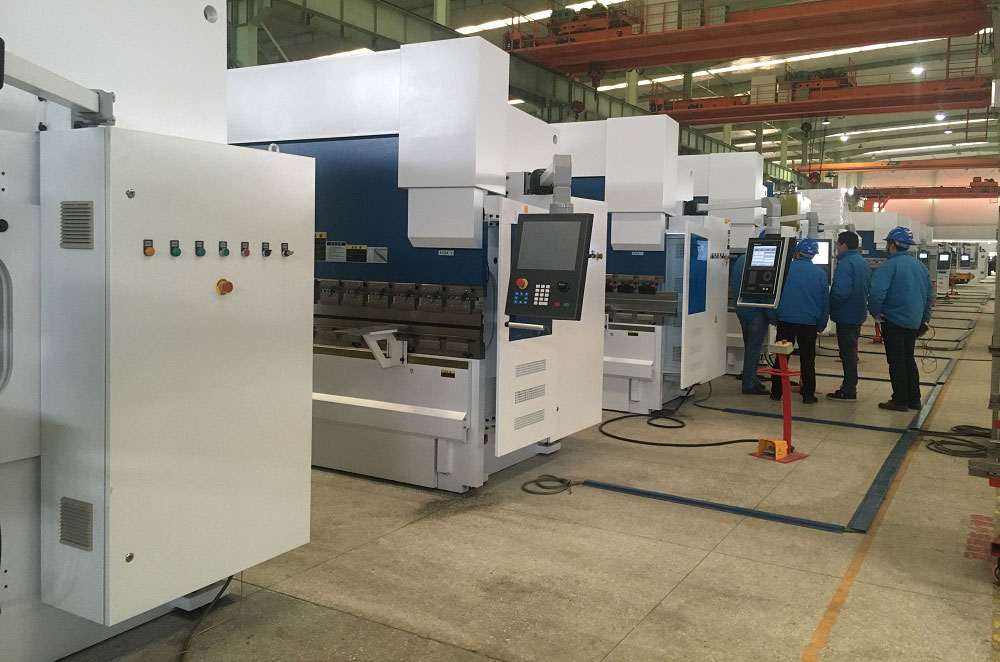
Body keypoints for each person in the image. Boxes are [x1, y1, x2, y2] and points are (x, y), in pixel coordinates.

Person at [868, 226, 934, 412]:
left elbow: (876, 294)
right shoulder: (920, 266)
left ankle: (899, 400)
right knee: (908, 358)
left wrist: (875, 313)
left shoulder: (889, 266)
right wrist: (924, 320)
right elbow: (929, 296)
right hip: (914, 321)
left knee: (896, 361)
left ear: (892, 245)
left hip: (893, 320)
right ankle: (914, 399)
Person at [768, 238, 829, 404]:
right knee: (808, 360)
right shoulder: (820, 274)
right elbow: (825, 303)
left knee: (781, 358)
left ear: (796, 252)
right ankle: (808, 394)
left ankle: (776, 392)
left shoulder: (784, 271)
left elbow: (773, 296)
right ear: (814, 255)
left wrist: (773, 317)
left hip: (786, 321)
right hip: (809, 324)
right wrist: (821, 325)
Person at [827, 231, 872, 401]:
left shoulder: (845, 264)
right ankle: (850, 386)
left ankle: (849, 389)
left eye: (838, 244)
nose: (837, 247)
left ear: (844, 245)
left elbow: (841, 292)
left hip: (845, 315)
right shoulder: (863, 263)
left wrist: (830, 306)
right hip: (858, 313)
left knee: (847, 354)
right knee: (851, 352)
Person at [730, 249, 769, 395]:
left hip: (742, 309)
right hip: (756, 311)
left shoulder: (740, 260)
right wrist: (773, 316)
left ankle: (752, 378)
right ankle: (749, 383)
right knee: (754, 348)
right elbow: (765, 291)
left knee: (750, 346)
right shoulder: (762, 262)